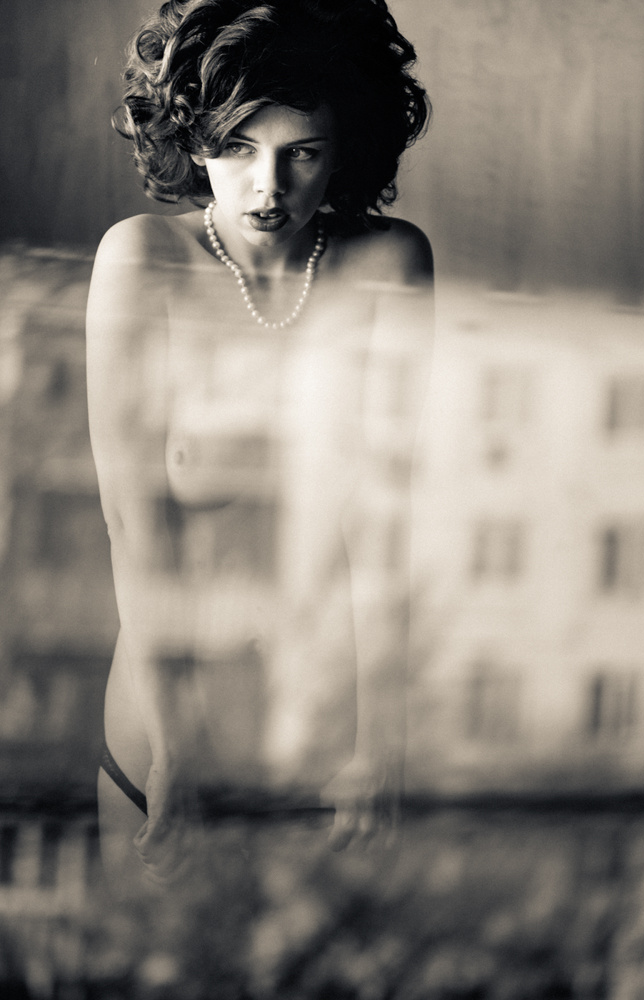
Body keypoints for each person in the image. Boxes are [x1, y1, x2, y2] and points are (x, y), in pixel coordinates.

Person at [86, 0, 433, 891]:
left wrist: (382, 742)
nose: (267, 186)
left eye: (301, 152)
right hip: (166, 721)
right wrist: (175, 751)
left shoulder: (390, 263)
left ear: (344, 149)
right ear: (193, 140)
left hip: (327, 732)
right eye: (237, 147)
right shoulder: (141, 260)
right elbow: (132, 526)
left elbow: (386, 530)